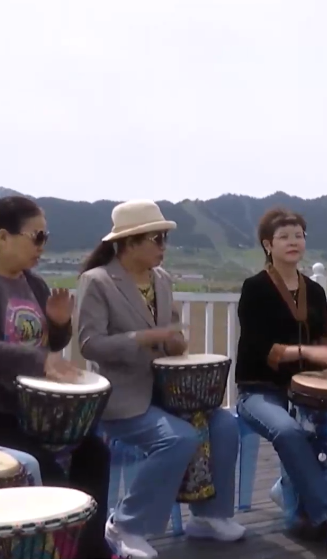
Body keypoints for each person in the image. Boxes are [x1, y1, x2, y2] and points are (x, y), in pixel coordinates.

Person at [0, 196, 113, 559]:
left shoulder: (34, 284)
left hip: (37, 412)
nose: (42, 247)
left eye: (45, 237)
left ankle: (91, 551)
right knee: (47, 473)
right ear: (3, 237)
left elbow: (48, 344)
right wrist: (39, 359)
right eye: (37, 236)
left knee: (95, 453)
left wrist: (59, 324)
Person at [77, 200, 245, 559]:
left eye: (164, 239)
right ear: (129, 242)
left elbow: (172, 337)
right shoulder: (98, 281)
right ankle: (126, 524)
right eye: (156, 239)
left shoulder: (162, 281)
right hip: (123, 398)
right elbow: (90, 344)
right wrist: (141, 339)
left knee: (225, 425)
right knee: (177, 438)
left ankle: (209, 515)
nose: (162, 247)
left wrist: (176, 341)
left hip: (168, 392)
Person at [235, 207, 327, 557]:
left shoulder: (314, 290)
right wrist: (309, 354)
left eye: (299, 236)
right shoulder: (254, 288)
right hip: (259, 391)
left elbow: (323, 339)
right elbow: (259, 348)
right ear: (268, 245)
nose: (294, 242)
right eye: (284, 237)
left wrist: (326, 357)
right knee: (289, 431)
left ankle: (290, 488)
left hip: (306, 394)